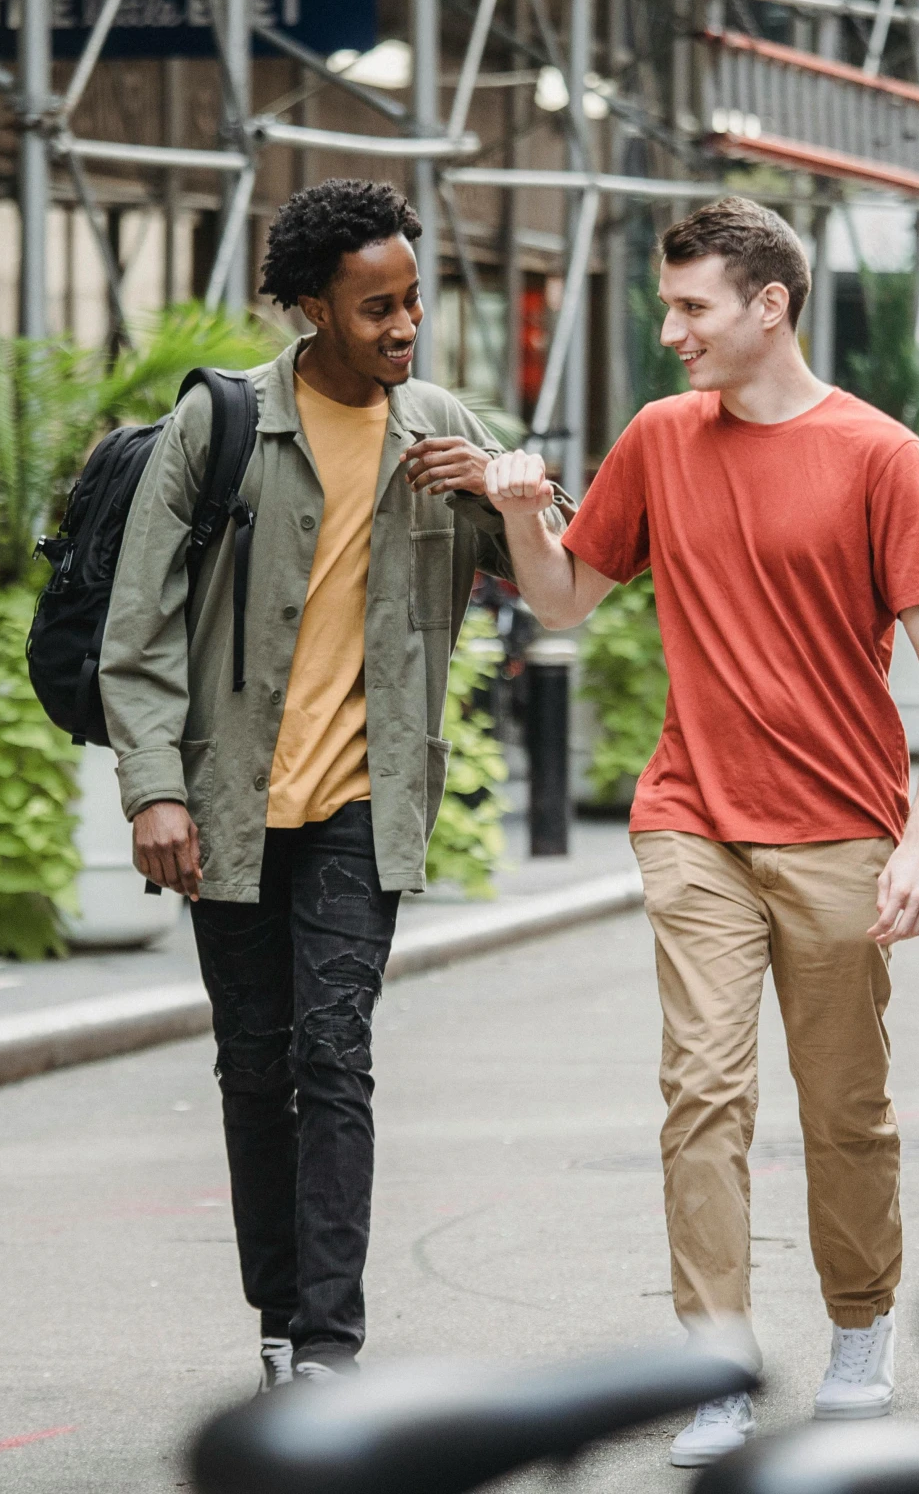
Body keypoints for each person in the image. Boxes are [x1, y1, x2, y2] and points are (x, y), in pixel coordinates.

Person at [480, 197, 919, 1465]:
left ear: (771, 305)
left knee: (842, 1103)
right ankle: (718, 1362)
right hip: (692, 815)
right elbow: (564, 602)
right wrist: (521, 511)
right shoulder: (659, 439)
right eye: (670, 305)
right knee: (700, 1091)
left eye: (693, 307)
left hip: (841, 828)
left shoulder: (876, 454)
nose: (671, 333)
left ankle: (859, 1325)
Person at [99, 179, 568, 1388]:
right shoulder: (220, 426)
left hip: (366, 801)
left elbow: (550, 575)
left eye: (413, 300)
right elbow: (137, 625)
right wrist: (154, 789)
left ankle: (327, 1348)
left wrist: (507, 492)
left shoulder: (439, 424)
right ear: (311, 308)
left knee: (334, 1055)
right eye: (375, 308)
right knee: (253, 1064)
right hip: (231, 806)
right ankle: (277, 1316)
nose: (404, 326)